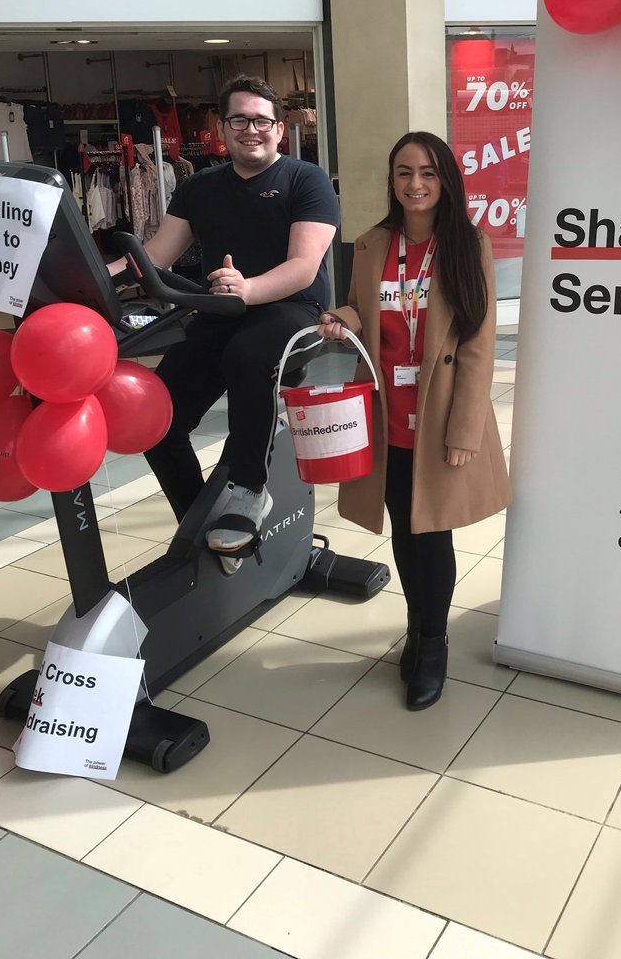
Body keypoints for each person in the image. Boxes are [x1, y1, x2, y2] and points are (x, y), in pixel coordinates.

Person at [317, 131, 511, 709]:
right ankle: (415, 621)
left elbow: (478, 342)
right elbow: (364, 309)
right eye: (404, 172)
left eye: (428, 172)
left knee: (433, 533)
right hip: (387, 413)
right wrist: (342, 315)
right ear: (391, 180)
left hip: (440, 414)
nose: (416, 184)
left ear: (446, 179)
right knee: (404, 528)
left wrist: (464, 431)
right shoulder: (373, 243)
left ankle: (434, 642)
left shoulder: (467, 244)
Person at [109, 74, 339, 560]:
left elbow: (303, 267)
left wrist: (248, 288)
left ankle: (250, 489)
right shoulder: (199, 187)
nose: (250, 129)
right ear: (223, 126)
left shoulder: (305, 180)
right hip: (222, 309)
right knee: (157, 415)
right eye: (240, 119)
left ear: (279, 129)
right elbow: (156, 255)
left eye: (261, 120)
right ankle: (195, 518)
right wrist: (92, 276)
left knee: (246, 355)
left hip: (292, 310)